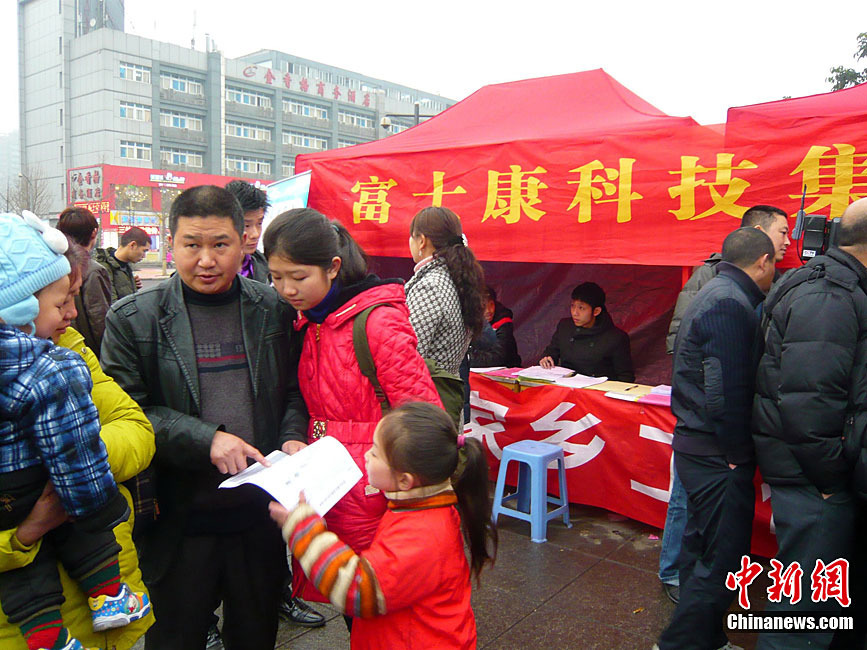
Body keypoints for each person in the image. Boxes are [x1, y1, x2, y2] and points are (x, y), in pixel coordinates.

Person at [100, 185, 309, 650]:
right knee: (175, 637)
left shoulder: (273, 309)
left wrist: (294, 437)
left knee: (255, 636)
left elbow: (295, 390)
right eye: (192, 245)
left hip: (259, 516)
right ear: (171, 243)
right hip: (178, 517)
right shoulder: (134, 318)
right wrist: (204, 438)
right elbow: (125, 414)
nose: (206, 260)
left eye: (220, 245)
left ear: (243, 242)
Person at [263, 208, 441, 620]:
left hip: (376, 490)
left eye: (298, 276)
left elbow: (422, 415)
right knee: (356, 607)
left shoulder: (376, 322)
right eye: (276, 277)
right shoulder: (309, 323)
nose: (286, 289)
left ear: (333, 268)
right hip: (333, 484)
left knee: (387, 607)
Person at [0, 213, 150, 650]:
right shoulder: (53, 366)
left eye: (75, 298)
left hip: (108, 609)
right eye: (62, 301)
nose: (71, 314)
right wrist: (25, 531)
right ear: (23, 306)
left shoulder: (71, 349)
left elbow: (137, 430)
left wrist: (72, 451)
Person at [269, 401, 497, 649]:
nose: (366, 455)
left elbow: (358, 590)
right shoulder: (422, 507)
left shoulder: (420, 534)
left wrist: (305, 532)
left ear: (405, 480)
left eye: (375, 452)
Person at [658, 203, 791, 605]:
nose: (789, 240)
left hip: (712, 426)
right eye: (783, 232)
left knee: (707, 534)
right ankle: (679, 584)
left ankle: (691, 615)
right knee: (698, 521)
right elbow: (712, 373)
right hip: (710, 432)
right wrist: (734, 450)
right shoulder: (722, 293)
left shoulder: (744, 289)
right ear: (760, 240)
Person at [752, 197, 867, 650]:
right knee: (803, 618)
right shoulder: (828, 294)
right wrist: (830, 477)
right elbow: (808, 400)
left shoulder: (843, 285)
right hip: (815, 479)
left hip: (826, 472)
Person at [406, 206, 486, 377]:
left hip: (423, 394)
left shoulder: (430, 286)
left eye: (411, 236)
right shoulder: (458, 279)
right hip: (443, 392)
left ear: (422, 241)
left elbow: (406, 355)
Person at [539, 282, 634, 381]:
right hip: (566, 386)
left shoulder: (616, 337)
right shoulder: (564, 326)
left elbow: (625, 377)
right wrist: (546, 359)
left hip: (596, 391)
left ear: (596, 311)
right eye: (572, 306)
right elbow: (551, 352)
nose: (575, 313)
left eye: (581, 308)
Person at [56, 207, 111, 356]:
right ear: (94, 232)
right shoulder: (93, 270)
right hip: (88, 353)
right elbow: (99, 320)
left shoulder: (53, 265)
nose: (71, 312)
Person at [225, 180, 270, 283]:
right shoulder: (207, 268)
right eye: (246, 225)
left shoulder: (268, 268)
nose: (255, 234)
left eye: (259, 223)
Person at [469, 286, 522, 369]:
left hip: (506, 373)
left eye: (491, 304)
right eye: (483, 306)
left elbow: (498, 357)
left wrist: (469, 359)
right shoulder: (468, 321)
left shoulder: (503, 323)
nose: (488, 310)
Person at [95, 227, 151, 303]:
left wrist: (130, 286)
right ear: (133, 245)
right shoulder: (104, 267)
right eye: (144, 251)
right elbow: (113, 306)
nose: (144, 256)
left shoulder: (125, 266)